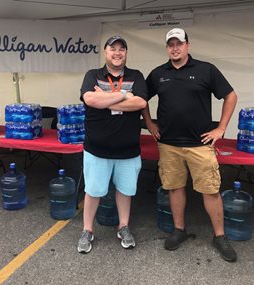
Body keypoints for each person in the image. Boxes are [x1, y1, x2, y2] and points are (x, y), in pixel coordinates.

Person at [142, 28, 238, 262]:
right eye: (170, 44)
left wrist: (221, 128)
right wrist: (149, 123)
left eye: (179, 43)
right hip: (168, 144)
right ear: (167, 48)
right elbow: (141, 98)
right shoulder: (158, 74)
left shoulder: (206, 70)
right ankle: (179, 230)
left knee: (210, 190)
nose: (175, 48)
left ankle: (220, 236)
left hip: (199, 144)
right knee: (174, 187)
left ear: (187, 45)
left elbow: (231, 95)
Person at [77, 35, 147, 253]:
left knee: (125, 191)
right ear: (105, 52)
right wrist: (125, 94)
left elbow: (141, 102)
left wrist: (107, 99)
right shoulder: (93, 75)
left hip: (128, 150)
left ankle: (123, 226)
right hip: (97, 150)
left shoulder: (136, 75)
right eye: (112, 49)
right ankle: (87, 230)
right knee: (93, 191)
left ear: (126, 53)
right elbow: (90, 100)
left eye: (121, 49)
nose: (117, 53)